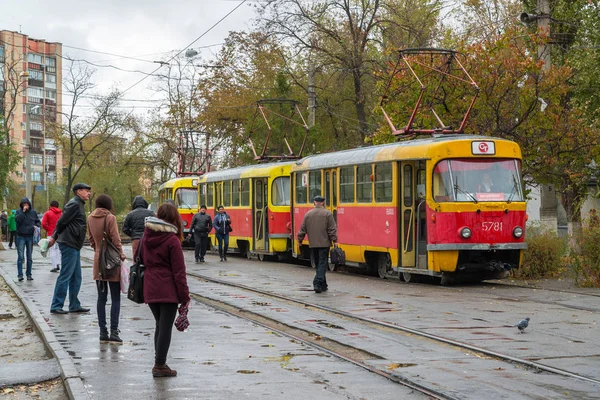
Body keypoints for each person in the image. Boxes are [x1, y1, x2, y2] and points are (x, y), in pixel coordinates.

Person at [140, 203, 190, 377]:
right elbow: (179, 272)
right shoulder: (172, 240)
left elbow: (139, 259)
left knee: (160, 325)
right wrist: (185, 296)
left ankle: (159, 362)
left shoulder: (146, 236)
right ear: (174, 218)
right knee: (165, 327)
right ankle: (159, 365)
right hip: (167, 290)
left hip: (150, 287)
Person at [48, 183, 92, 315]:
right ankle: (56, 305)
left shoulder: (78, 203)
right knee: (66, 275)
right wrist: (54, 237)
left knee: (76, 276)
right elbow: (61, 222)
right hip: (69, 243)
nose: (89, 193)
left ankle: (74, 304)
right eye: (86, 191)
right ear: (78, 191)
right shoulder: (74, 204)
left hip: (74, 244)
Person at [87, 194, 126, 344]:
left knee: (101, 298)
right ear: (109, 204)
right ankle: (114, 332)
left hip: (98, 262)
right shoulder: (110, 218)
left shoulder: (90, 217)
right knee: (115, 297)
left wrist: (98, 250)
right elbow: (116, 239)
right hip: (111, 261)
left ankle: (102, 332)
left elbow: (91, 239)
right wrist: (121, 253)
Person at [297, 195, 338, 293]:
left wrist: (300, 240)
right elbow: (332, 229)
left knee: (318, 263)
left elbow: (302, 229)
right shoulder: (328, 214)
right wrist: (335, 240)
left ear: (314, 202)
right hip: (324, 244)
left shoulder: (308, 214)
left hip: (313, 244)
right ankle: (317, 283)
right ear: (323, 203)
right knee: (322, 264)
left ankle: (323, 285)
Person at [15, 198, 40, 281]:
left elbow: (37, 221)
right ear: (22, 205)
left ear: (29, 204)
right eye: (24, 204)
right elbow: (17, 220)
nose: (25, 205)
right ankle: (20, 275)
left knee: (29, 257)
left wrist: (36, 225)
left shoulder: (33, 212)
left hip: (29, 236)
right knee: (20, 257)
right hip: (20, 236)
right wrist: (23, 212)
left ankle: (29, 274)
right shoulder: (19, 212)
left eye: (27, 204)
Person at [42, 201, 62, 272]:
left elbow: (43, 223)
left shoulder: (47, 213)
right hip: (60, 233)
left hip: (51, 234)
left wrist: (48, 229)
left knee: (52, 249)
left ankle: (54, 266)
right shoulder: (61, 213)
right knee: (59, 250)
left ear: (50, 206)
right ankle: (58, 264)